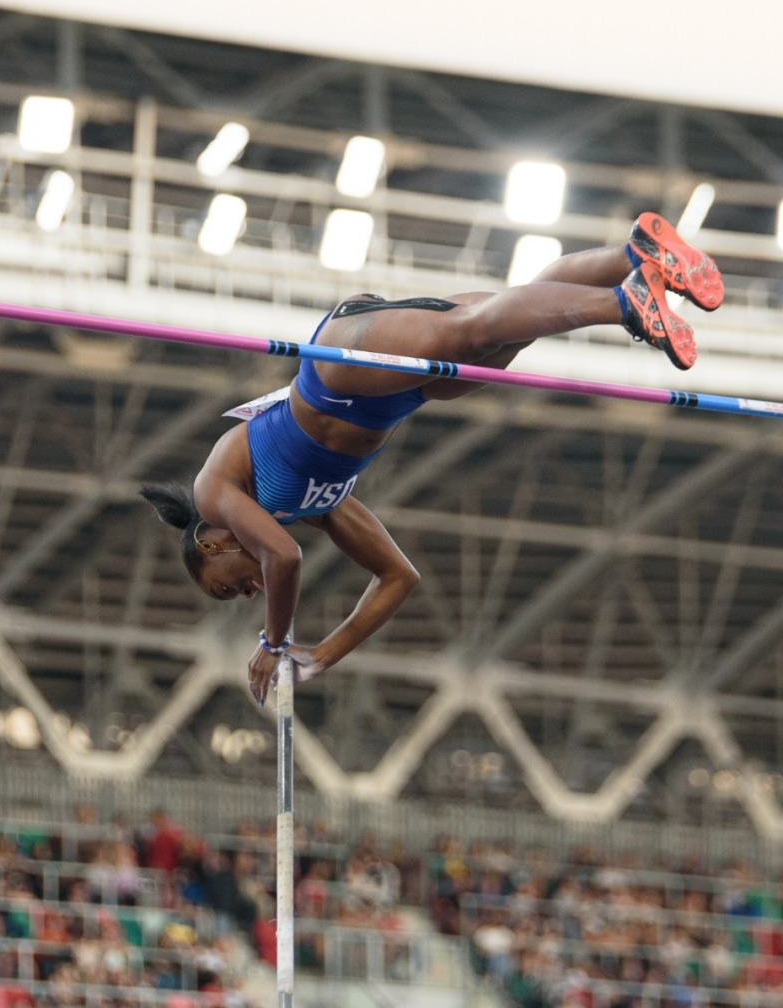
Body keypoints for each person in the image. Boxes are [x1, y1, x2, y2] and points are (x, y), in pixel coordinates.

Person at [142, 214, 721, 704]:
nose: (245, 595)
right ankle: (636, 255)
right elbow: (398, 577)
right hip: (393, 398)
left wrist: (271, 645)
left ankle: (625, 303)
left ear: (209, 544)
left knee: (475, 331)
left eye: (224, 589)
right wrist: (320, 656)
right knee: (503, 333)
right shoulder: (309, 505)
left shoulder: (212, 492)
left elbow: (285, 560)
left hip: (340, 371)